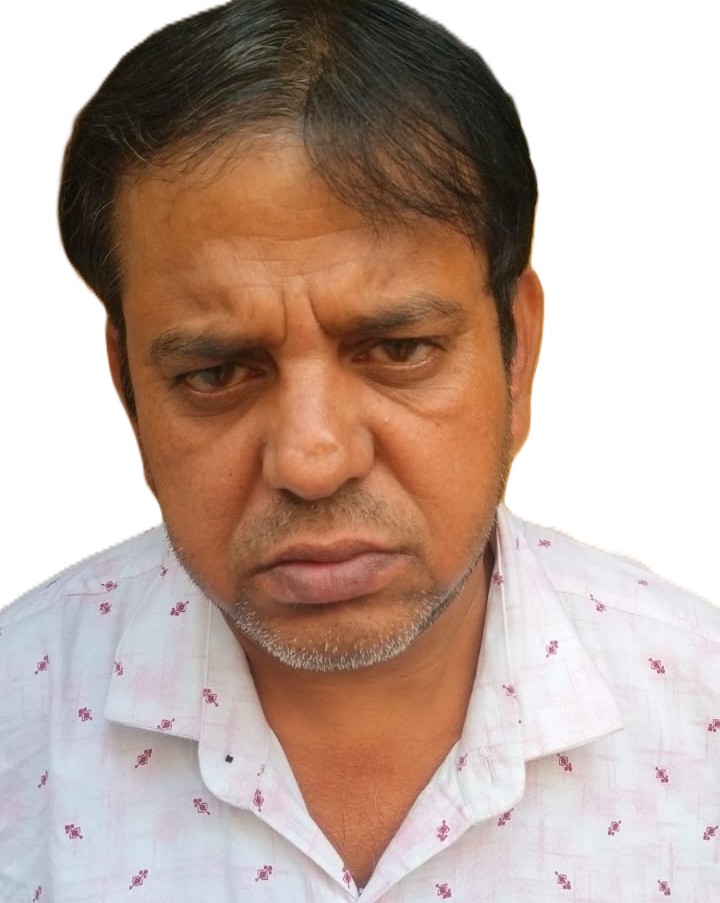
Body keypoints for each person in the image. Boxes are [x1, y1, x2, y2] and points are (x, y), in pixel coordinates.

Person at [1, 1, 718, 900]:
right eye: (217, 372)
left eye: (399, 350)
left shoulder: (702, 721)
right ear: (127, 387)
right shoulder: (16, 725)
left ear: (517, 351)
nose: (312, 461)